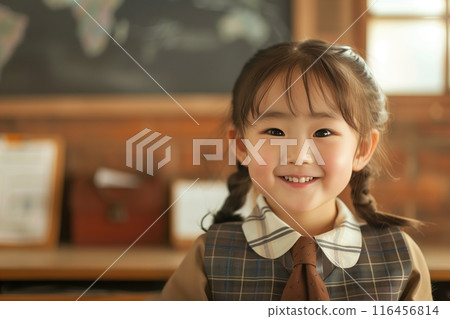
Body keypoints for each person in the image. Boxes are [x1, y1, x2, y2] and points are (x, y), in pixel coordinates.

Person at [160, 39, 433, 301]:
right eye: (275, 132)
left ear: (361, 149)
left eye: (323, 132)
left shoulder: (401, 257)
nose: (299, 154)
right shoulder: (208, 257)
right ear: (242, 146)